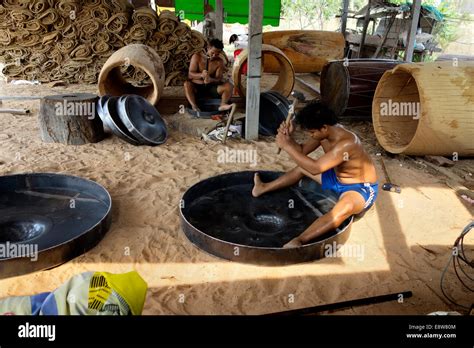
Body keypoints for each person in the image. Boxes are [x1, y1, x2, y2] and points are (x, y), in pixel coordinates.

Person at [252, 102, 379, 248]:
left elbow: (316, 168)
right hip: (335, 178)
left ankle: (300, 239)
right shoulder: (323, 133)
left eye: (312, 132)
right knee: (301, 167)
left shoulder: (347, 143)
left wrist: (286, 146)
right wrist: (289, 139)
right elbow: (302, 150)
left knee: (344, 208)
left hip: (358, 188)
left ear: (324, 127)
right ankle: (263, 187)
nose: (311, 135)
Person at [184, 38, 233, 112]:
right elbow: (190, 75)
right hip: (197, 88)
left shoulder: (219, 62)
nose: (214, 56)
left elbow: (218, 79)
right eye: (212, 53)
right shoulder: (197, 57)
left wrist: (211, 79)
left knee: (229, 85)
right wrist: (201, 75)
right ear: (208, 48)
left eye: (217, 54)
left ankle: (223, 104)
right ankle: (194, 106)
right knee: (187, 84)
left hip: (211, 88)